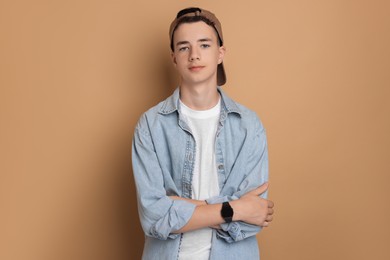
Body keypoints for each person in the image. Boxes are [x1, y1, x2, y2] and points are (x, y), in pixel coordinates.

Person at [132, 7, 274, 260]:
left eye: (205, 45)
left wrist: (178, 204)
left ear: (220, 53)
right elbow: (154, 215)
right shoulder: (151, 125)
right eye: (184, 47)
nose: (194, 55)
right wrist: (234, 209)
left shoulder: (249, 125)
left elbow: (253, 219)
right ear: (174, 57)